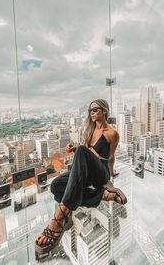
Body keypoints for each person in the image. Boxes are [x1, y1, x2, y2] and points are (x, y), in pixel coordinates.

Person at [35, 99, 127, 257]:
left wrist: (111, 173)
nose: (91, 112)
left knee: (82, 151)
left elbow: (110, 157)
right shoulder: (89, 131)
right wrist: (75, 149)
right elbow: (86, 153)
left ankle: (61, 215)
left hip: (101, 172)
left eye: (95, 109)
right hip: (86, 172)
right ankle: (102, 195)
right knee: (55, 186)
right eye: (90, 110)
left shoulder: (113, 133)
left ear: (104, 111)